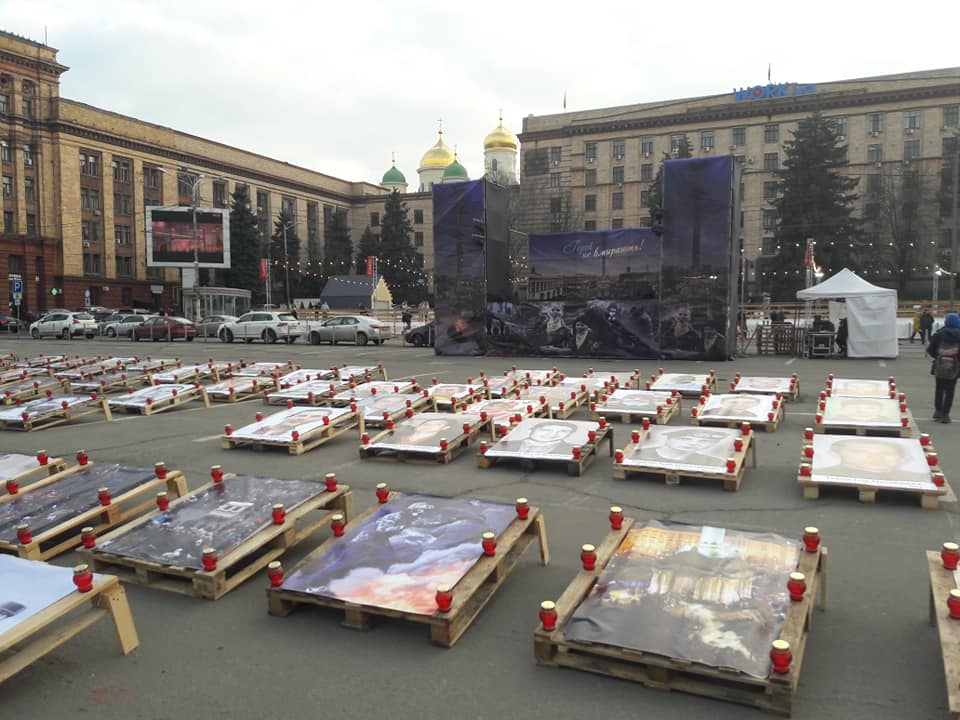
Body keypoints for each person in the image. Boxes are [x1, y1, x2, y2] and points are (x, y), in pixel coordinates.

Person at [927, 312, 960, 423]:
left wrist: (938, 357)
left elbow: (930, 350)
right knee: (950, 390)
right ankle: (945, 415)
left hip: (940, 364)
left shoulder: (939, 334)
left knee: (939, 388)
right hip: (955, 366)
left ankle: (938, 411)